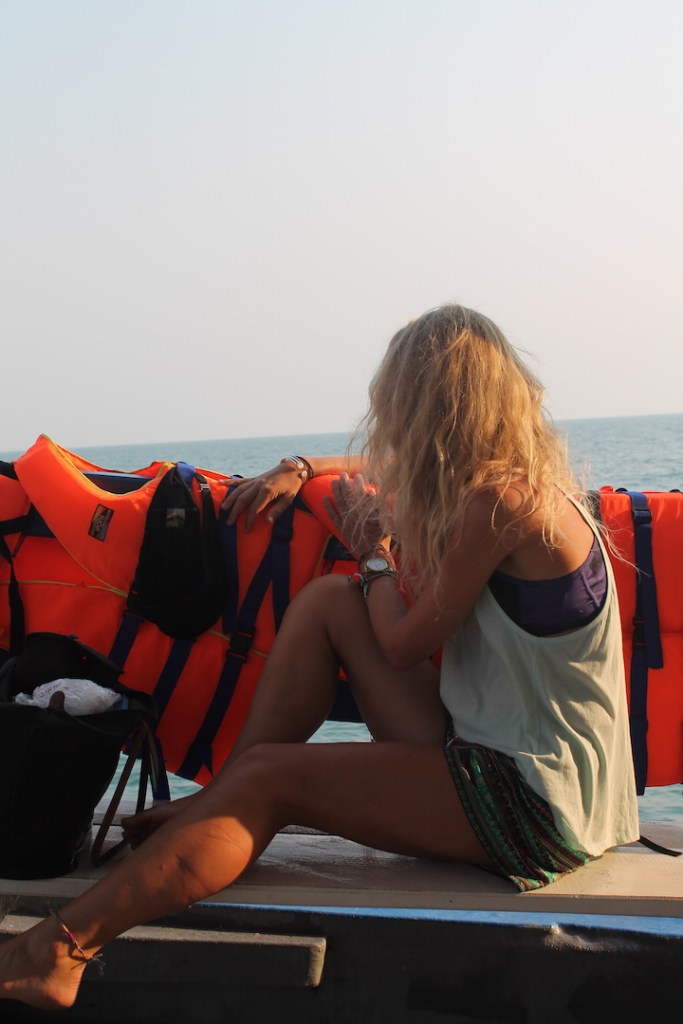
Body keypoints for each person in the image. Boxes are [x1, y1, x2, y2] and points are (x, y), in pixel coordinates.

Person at [0, 303, 638, 1010]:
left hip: (533, 804)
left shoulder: (501, 505)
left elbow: (402, 644)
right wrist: (301, 467)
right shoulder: (523, 484)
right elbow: (383, 467)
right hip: (510, 760)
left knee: (273, 777)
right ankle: (215, 803)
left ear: (424, 407)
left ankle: (58, 952)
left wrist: (375, 560)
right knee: (330, 602)